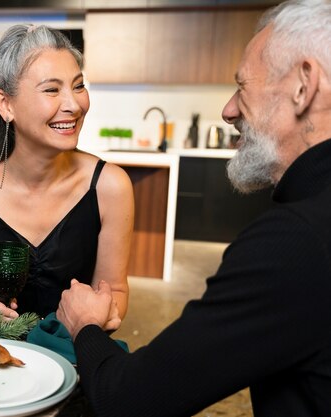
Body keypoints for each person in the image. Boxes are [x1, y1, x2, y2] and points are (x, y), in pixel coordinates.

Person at [57, 1, 331, 416]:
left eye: (242, 86)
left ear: (303, 85)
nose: (229, 110)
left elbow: (129, 400)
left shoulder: (294, 242)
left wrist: (85, 326)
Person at [0, 25, 135, 321]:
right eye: (51, 90)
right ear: (6, 104)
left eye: (78, 86)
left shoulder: (110, 186)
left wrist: (100, 315)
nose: (74, 105)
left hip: (72, 358)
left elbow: (115, 291)